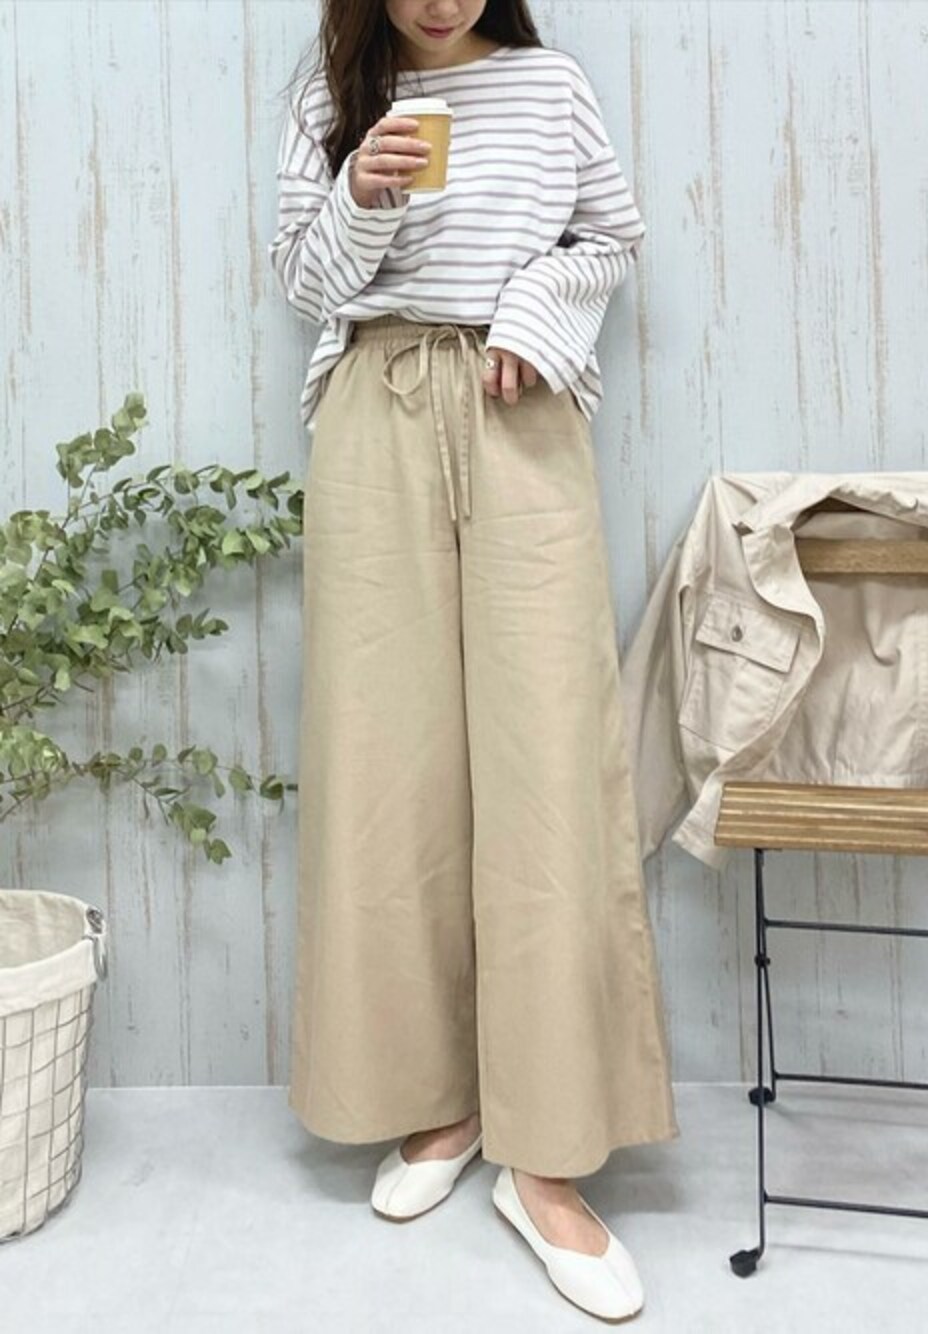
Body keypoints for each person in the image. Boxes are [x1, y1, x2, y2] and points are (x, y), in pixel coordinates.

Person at [267, 0, 678, 1320]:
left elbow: (610, 239)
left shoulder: (551, 88)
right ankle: (438, 1098)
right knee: (388, 774)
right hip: (374, 414)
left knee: (547, 771)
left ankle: (545, 1155)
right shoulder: (337, 88)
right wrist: (361, 196)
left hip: (520, 411)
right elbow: (305, 282)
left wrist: (535, 315)